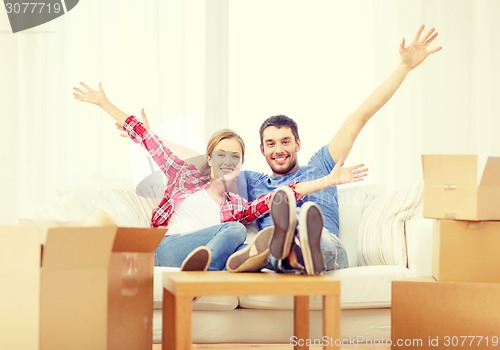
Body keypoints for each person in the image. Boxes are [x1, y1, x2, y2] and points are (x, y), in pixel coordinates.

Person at [72, 83, 368, 273]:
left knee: (238, 230)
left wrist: (327, 181)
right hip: (168, 246)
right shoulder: (182, 175)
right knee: (235, 232)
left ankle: (226, 264)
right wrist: (103, 102)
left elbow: (284, 193)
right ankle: (215, 265)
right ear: (209, 158)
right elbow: (145, 137)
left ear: (241, 164)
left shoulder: (236, 204)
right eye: (221, 155)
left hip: (208, 251)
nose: (227, 162)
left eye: (235, 157)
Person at [240, 24, 442, 274]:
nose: (278, 149)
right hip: (277, 246)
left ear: (298, 144)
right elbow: (208, 165)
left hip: (327, 247)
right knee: (273, 246)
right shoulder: (253, 182)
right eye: (271, 144)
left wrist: (404, 67)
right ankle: (286, 248)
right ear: (261, 149)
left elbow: (361, 116)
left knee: (320, 240)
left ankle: (295, 243)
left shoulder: (321, 166)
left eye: (285, 141)